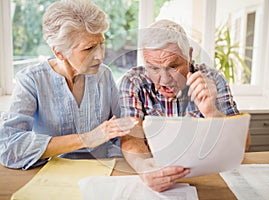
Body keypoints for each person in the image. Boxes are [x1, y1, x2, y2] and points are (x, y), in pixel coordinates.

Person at [0, 0, 136, 170]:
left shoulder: (104, 75)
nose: (100, 56)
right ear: (59, 52)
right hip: (51, 174)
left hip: (103, 169)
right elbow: (10, 147)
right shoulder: (31, 80)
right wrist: (87, 138)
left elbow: (124, 134)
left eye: (101, 44)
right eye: (89, 48)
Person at [118, 19, 251, 192]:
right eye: (154, 68)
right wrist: (144, 168)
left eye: (173, 66)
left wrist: (211, 112)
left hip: (208, 178)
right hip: (158, 180)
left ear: (189, 55)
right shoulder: (134, 82)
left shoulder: (212, 79)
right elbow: (130, 138)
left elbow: (243, 144)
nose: (164, 80)